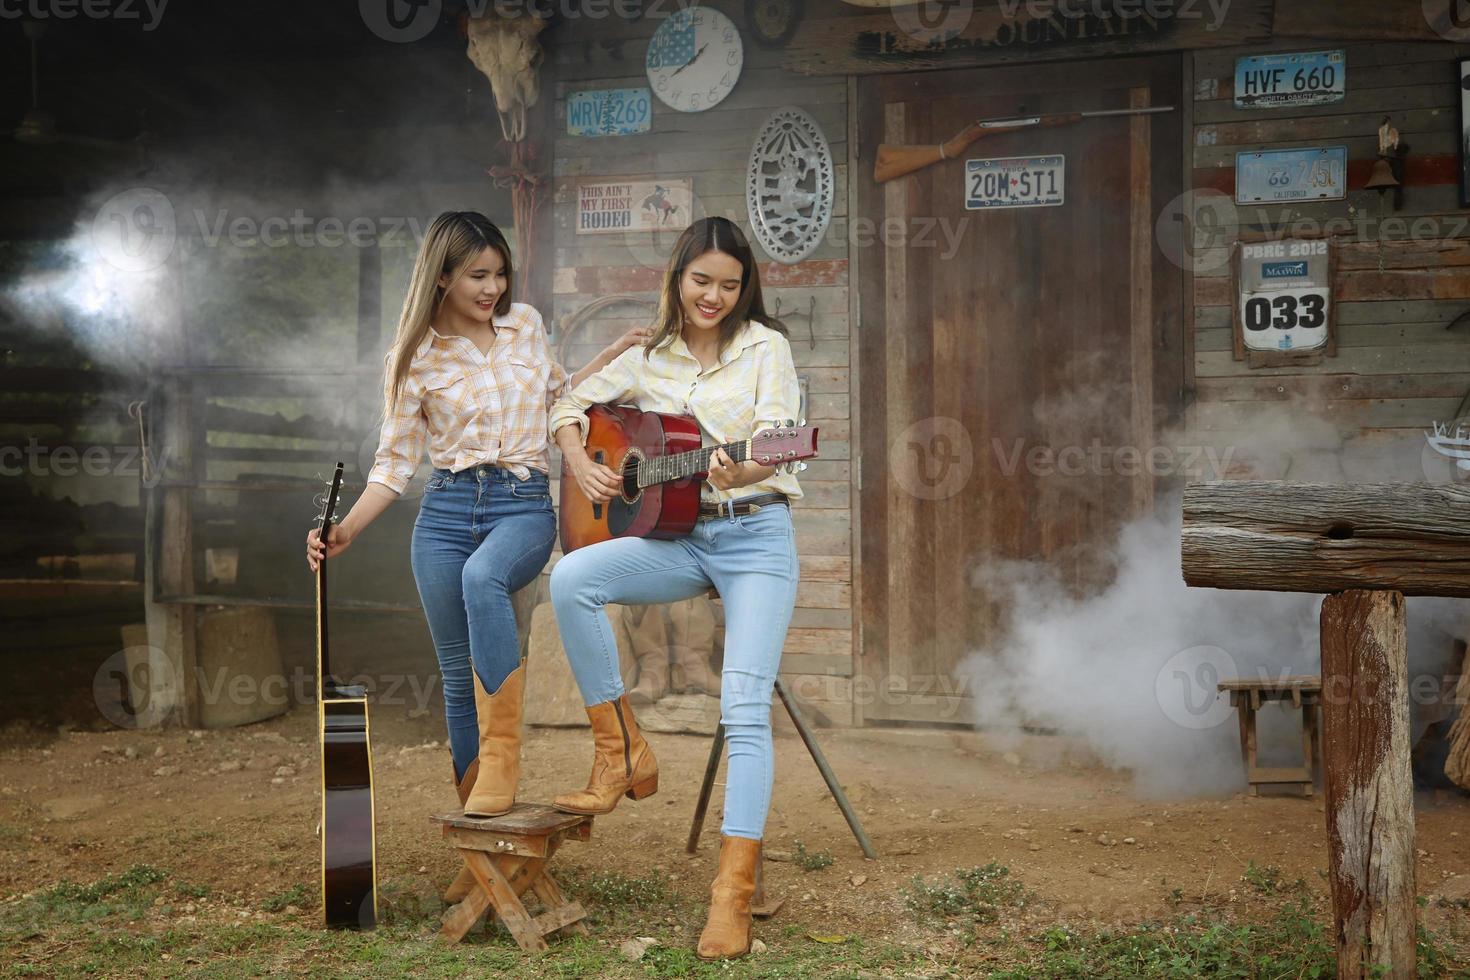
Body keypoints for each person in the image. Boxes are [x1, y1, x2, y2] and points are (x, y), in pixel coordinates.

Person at [305, 210, 648, 820]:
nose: (492, 288)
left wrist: (613, 355)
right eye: (476, 276)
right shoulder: (413, 359)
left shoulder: (524, 327)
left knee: (481, 578)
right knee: (454, 677)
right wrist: (346, 529)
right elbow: (393, 465)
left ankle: (503, 760)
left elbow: (557, 397)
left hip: (519, 504)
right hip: (443, 511)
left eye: (499, 274)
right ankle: (480, 829)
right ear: (442, 279)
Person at [546, 216, 802, 960]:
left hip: (754, 537)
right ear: (677, 279)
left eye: (729, 284)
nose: (714, 297)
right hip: (680, 539)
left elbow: (784, 438)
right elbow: (568, 406)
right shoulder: (649, 356)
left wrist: (742, 467)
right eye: (701, 282)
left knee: (743, 707)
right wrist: (586, 463)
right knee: (572, 579)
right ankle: (621, 749)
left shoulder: (767, 349)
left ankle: (733, 894)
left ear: (745, 286)